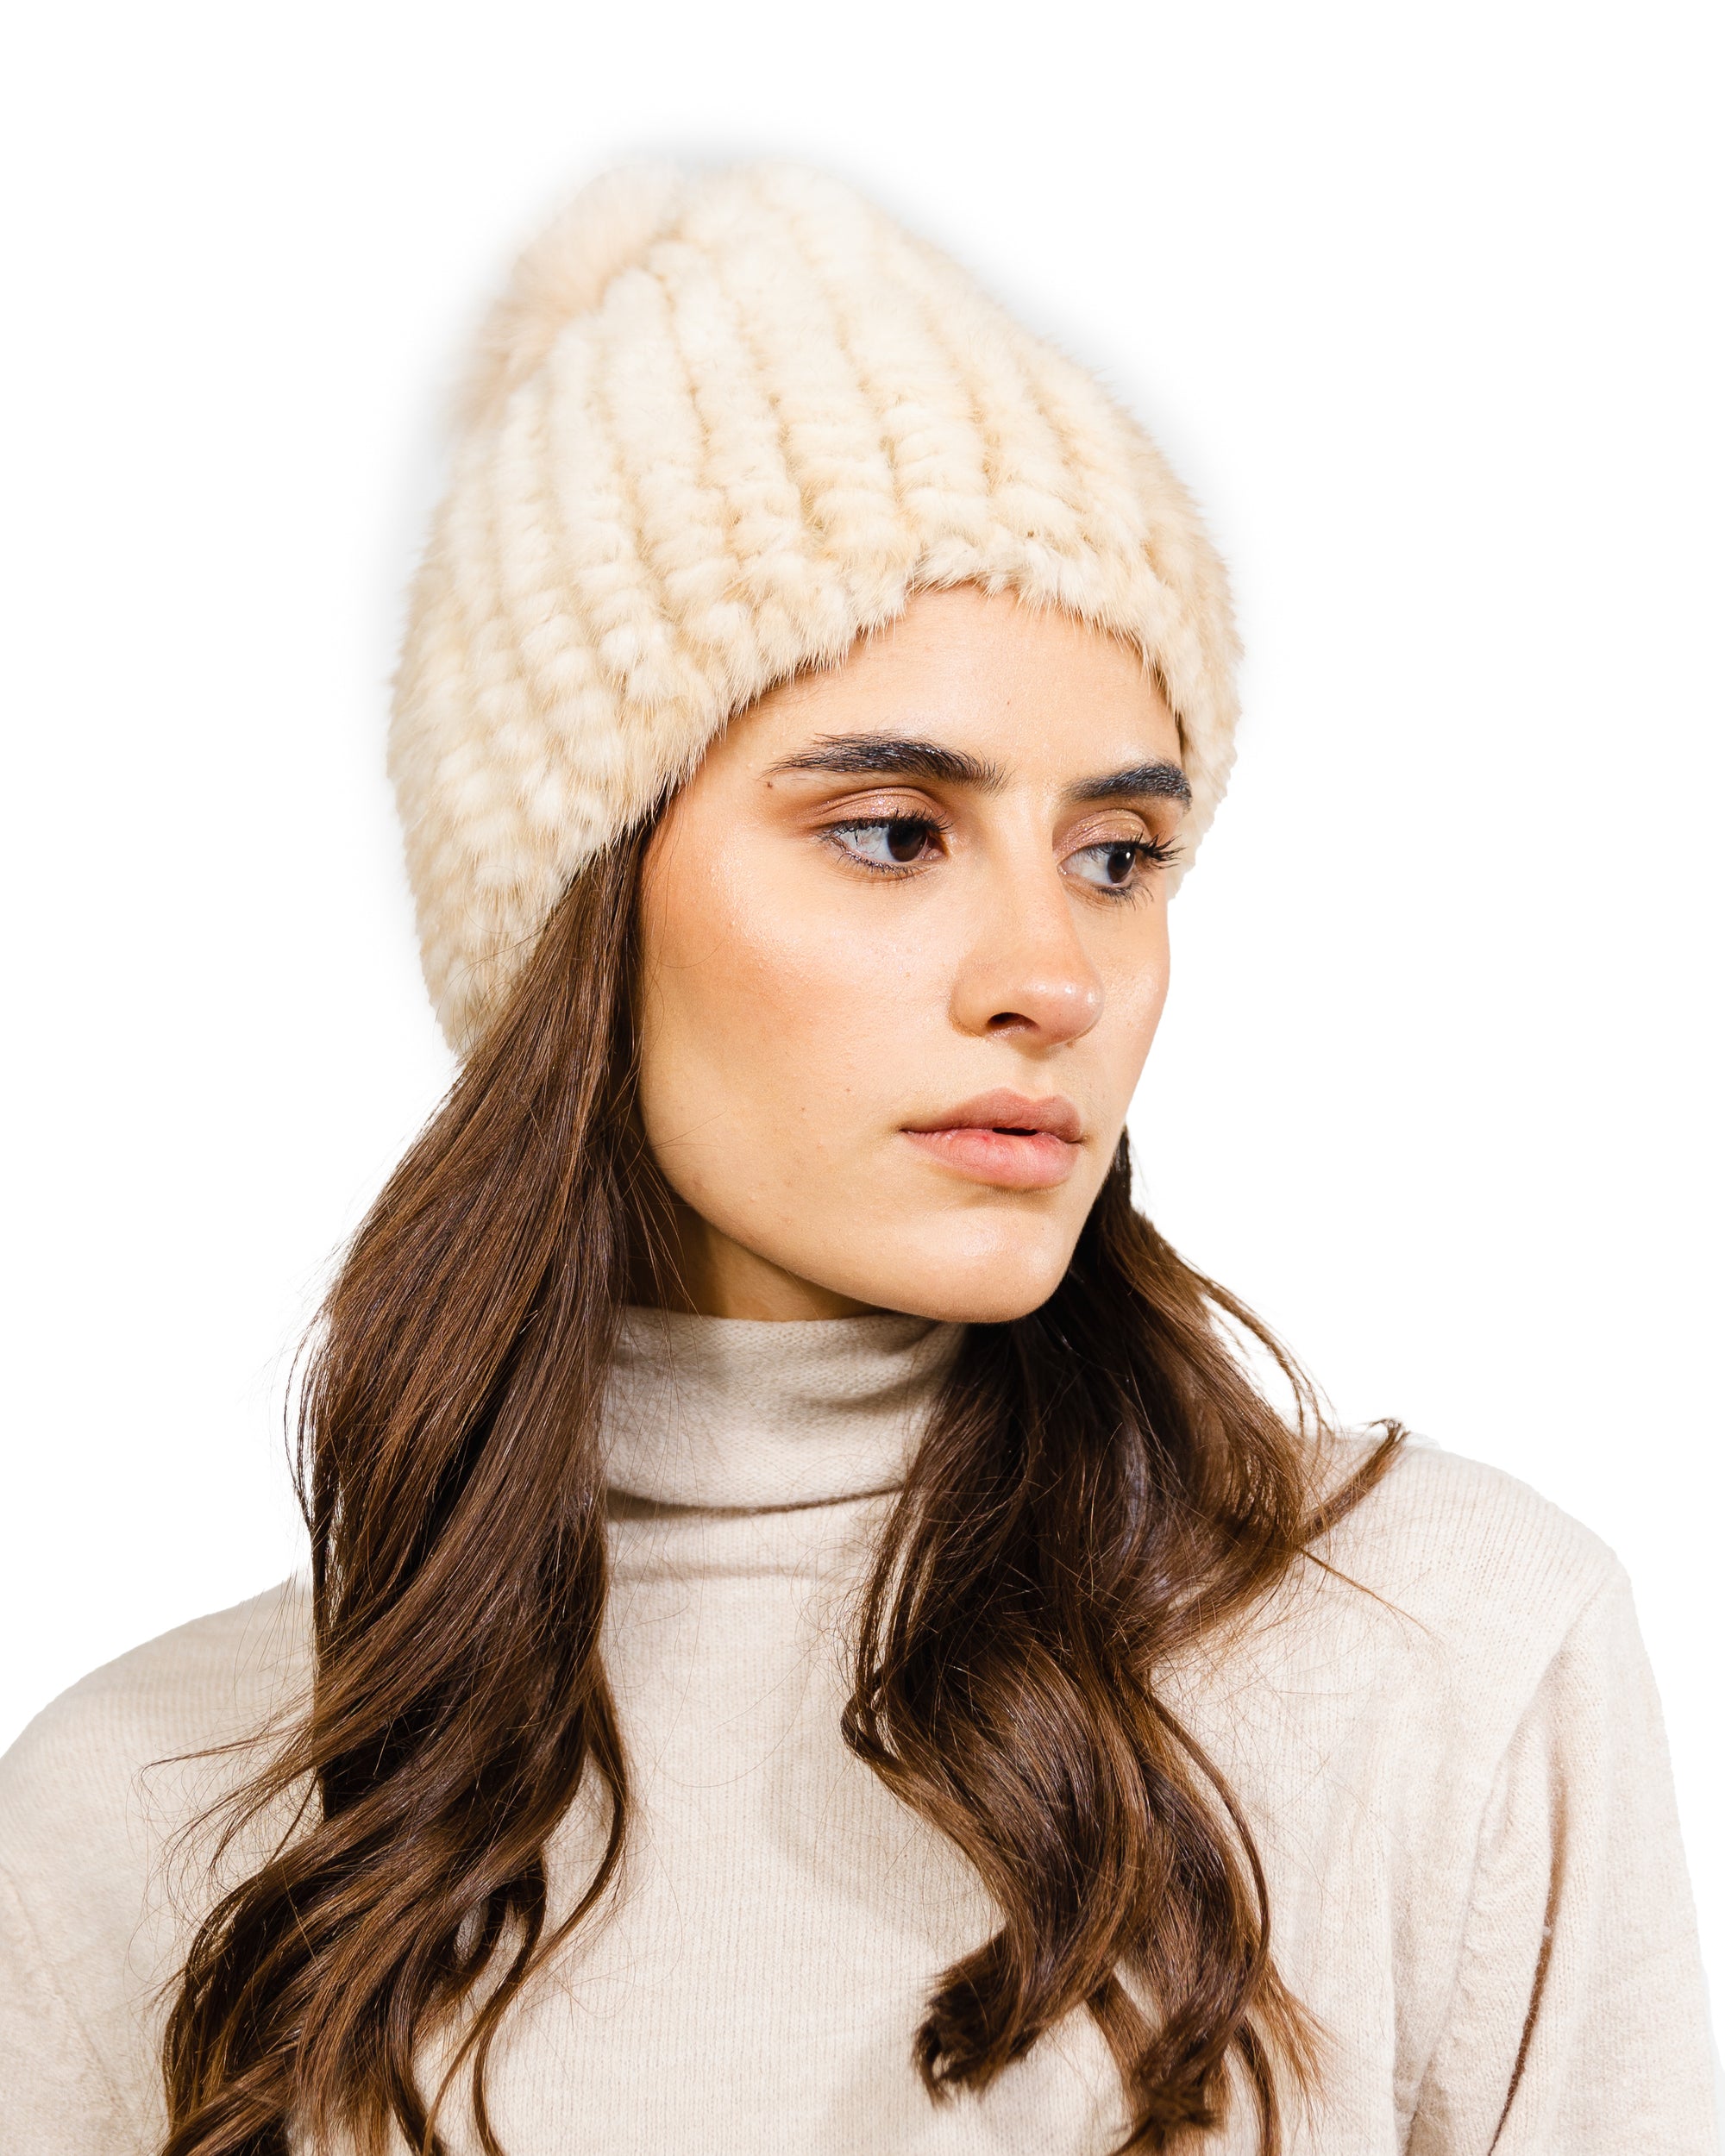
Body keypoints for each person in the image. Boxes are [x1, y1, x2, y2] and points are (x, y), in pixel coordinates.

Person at [0, 160, 1716, 2156]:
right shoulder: (146, 1810)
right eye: (894, 832)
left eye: (1117, 855)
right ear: (577, 909)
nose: (1052, 975)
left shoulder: (1447, 1655)